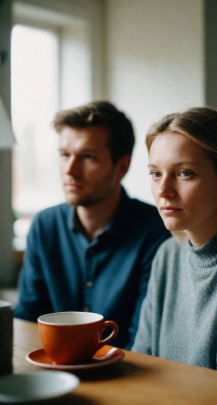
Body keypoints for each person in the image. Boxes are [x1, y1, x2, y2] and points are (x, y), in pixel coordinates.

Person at [14, 101, 170, 349]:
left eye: (88, 157)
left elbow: (143, 339)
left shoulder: (155, 231)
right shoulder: (45, 226)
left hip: (125, 376)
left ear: (122, 166)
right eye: (65, 155)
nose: (70, 170)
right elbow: (27, 319)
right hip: (52, 372)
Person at [132, 106, 217, 386]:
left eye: (184, 173)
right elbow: (141, 368)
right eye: (155, 174)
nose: (164, 190)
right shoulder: (167, 255)